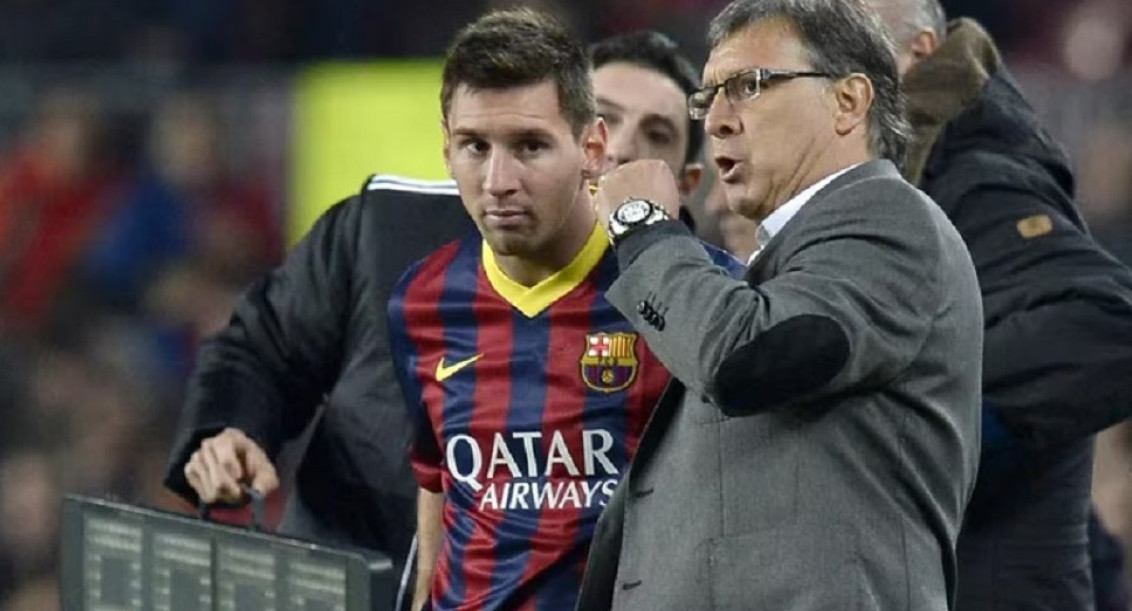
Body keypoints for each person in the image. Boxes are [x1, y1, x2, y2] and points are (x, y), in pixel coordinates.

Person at [162, 3, 726, 588]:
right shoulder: (388, 232)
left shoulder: (690, 303)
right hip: (349, 571)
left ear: (687, 183)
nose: (623, 151)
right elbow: (263, 342)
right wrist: (229, 427)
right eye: (610, 116)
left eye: (656, 134)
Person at [578, 0, 984, 609]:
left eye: (747, 86)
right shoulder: (792, 260)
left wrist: (644, 227)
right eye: (708, 97)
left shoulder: (891, 222)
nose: (715, 120)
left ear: (848, 101)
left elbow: (746, 356)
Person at [386, 11, 742, 611]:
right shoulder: (421, 299)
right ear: (446, 149)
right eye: (475, 146)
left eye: (530, 146)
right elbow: (438, 476)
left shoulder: (691, 290)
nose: (498, 180)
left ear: (591, 147)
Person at [864, 1, 1132, 609]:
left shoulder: (973, 174)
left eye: (853, 45)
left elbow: (1105, 327)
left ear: (920, 55)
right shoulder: (883, 185)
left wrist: (908, 424)